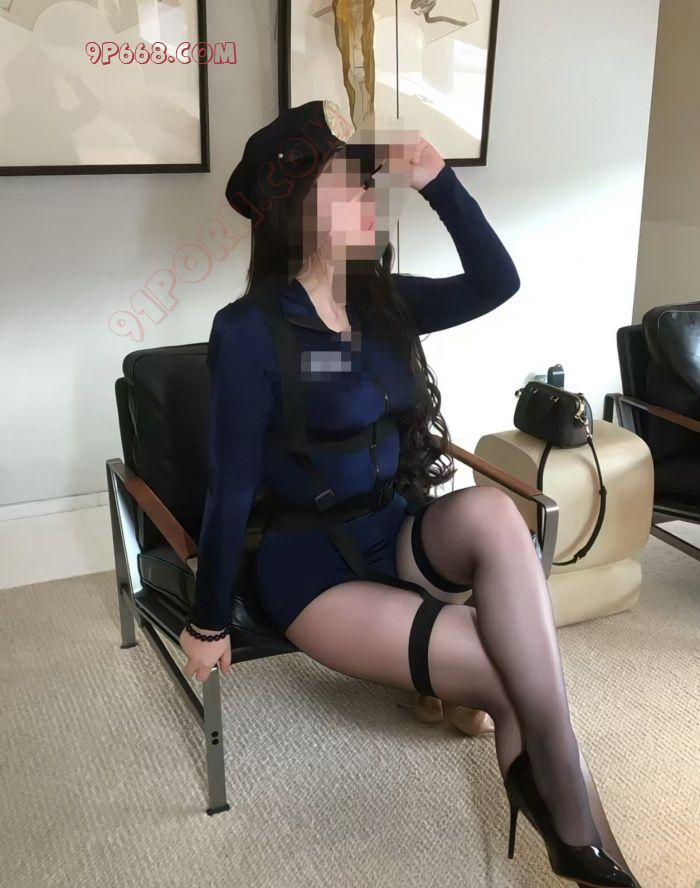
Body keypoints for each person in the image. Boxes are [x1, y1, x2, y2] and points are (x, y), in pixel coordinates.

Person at [179, 100, 640, 887]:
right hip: (311, 571)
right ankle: (585, 841)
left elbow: (497, 281)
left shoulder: (381, 300)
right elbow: (233, 486)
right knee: (510, 675)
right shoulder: (250, 331)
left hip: (393, 529)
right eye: (348, 187)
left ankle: (573, 829)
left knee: (493, 511)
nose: (369, 199)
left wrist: (440, 183)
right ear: (300, 213)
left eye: (368, 186)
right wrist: (208, 620)